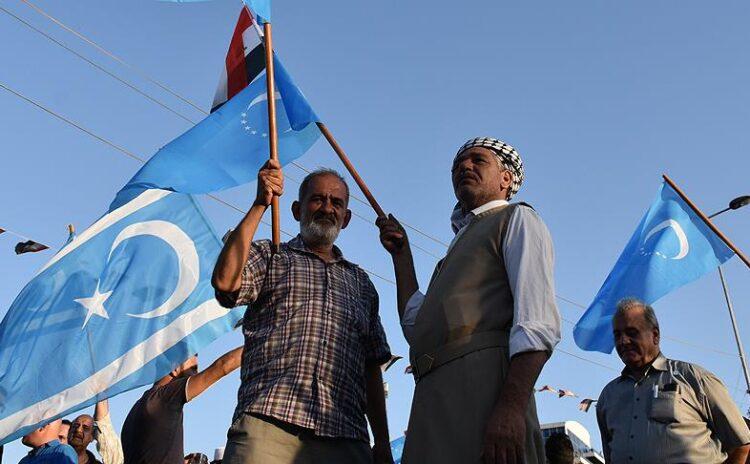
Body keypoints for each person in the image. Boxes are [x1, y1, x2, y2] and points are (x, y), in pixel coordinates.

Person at [377, 137, 561, 464]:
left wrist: (510, 408)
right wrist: (402, 257)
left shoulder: (517, 219)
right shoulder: (451, 254)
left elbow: (537, 324)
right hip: (432, 402)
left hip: (484, 393)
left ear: (506, 179)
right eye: (458, 165)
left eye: (478, 160)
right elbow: (418, 329)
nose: (464, 166)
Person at [213, 163, 394, 464]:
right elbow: (225, 281)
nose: (327, 208)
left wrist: (383, 442)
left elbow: (372, 366)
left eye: (336, 203)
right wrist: (260, 204)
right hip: (270, 425)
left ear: (346, 218)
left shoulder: (362, 284)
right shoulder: (271, 256)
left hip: (347, 437)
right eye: (317, 199)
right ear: (297, 210)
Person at [597, 298, 750, 463]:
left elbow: (742, 444)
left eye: (632, 333)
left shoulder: (694, 378)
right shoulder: (608, 397)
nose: (623, 341)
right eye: (617, 335)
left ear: (655, 335)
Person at [121, 348, 243, 464]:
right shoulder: (165, 398)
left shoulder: (135, 411)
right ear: (174, 368)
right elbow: (223, 366)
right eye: (193, 369)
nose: (197, 374)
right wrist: (253, 345)